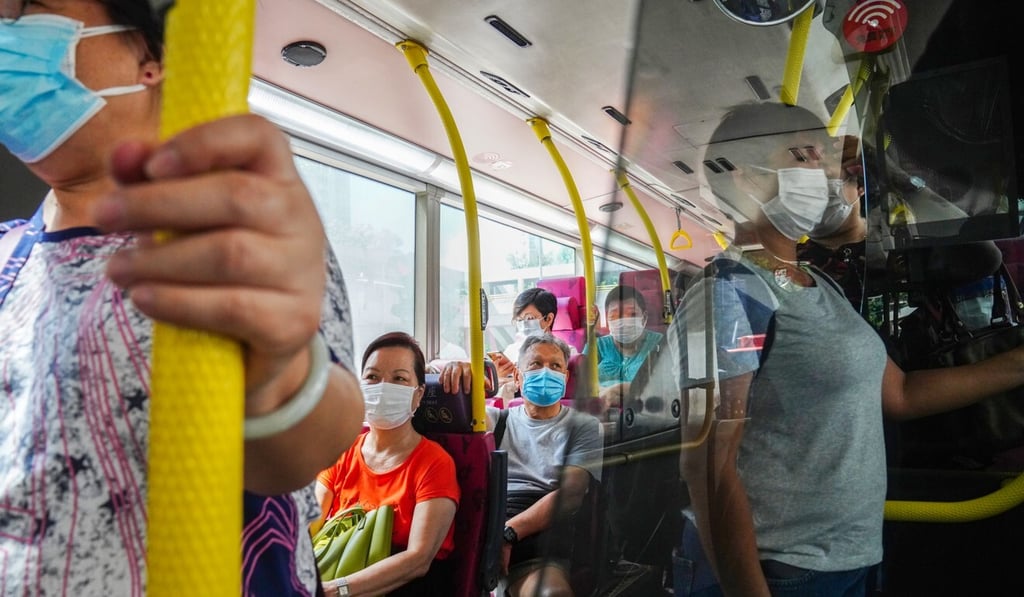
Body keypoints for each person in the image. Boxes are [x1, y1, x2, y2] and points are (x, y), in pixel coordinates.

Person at [0, 1, 364, 595]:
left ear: (151, 56)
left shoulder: (235, 238)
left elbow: (313, 443)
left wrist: (277, 375)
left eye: (27, 10)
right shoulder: (7, 253)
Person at [672, 101, 1024, 597]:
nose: (823, 172)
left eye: (825, 157)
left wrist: (1016, 365)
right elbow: (707, 464)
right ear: (747, 178)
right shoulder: (729, 292)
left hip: (846, 559)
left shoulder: (817, 284)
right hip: (779, 569)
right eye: (803, 155)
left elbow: (900, 394)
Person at [315, 332, 460, 597]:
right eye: (372, 377)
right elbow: (310, 524)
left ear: (418, 394)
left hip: (403, 586)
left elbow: (418, 559)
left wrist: (337, 590)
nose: (383, 387)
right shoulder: (342, 450)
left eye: (399, 379)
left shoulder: (435, 463)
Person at [486, 333, 604, 597]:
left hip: (541, 531)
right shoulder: (495, 420)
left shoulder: (583, 426)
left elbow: (571, 494)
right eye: (536, 364)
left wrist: (508, 534)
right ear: (518, 377)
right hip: (491, 518)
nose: (546, 372)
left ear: (565, 378)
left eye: (555, 366)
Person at [594, 284, 664, 408]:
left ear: (644, 318)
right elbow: (579, 382)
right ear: (607, 320)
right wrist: (602, 392)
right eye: (615, 316)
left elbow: (665, 384)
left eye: (632, 314)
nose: (624, 322)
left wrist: (617, 390)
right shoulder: (598, 345)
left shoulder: (660, 343)